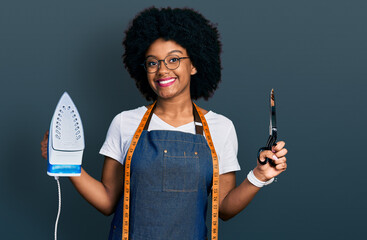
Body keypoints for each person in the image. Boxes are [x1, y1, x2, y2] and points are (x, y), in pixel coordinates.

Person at [41, 7, 288, 240]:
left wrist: (259, 176)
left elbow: (224, 208)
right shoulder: (125, 122)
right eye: (152, 62)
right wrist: (67, 165)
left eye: (173, 59)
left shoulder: (220, 128)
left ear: (193, 65)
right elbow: (107, 201)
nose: (162, 70)